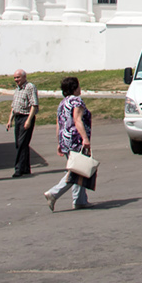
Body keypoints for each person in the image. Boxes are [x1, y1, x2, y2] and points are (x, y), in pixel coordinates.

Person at [43, 76, 92, 211]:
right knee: (77, 170)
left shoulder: (63, 103)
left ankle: (80, 200)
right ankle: (54, 193)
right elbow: (77, 120)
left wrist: (59, 142)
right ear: (75, 88)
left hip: (66, 140)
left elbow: (60, 124)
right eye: (78, 86)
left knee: (80, 169)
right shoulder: (77, 101)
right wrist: (85, 139)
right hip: (76, 140)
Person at [5, 68, 39, 177]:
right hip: (18, 118)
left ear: (24, 77)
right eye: (15, 77)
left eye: (18, 77)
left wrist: (29, 120)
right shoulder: (17, 89)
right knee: (20, 144)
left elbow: (34, 105)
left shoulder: (30, 87)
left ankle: (18, 169)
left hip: (26, 117)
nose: (16, 80)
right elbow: (14, 106)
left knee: (22, 143)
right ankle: (25, 168)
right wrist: (9, 120)